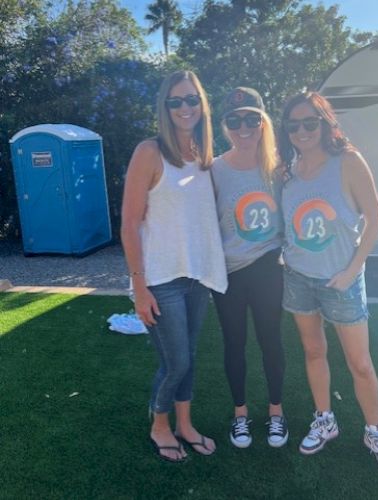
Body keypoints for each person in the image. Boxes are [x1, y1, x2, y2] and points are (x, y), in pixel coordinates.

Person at [277, 91, 378, 474]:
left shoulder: (348, 161)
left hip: (342, 280)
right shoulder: (287, 170)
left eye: (309, 122)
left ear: (324, 123)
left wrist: (353, 269)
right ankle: (325, 420)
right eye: (294, 124)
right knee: (314, 353)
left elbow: (375, 219)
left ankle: (374, 431)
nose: (302, 130)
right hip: (298, 277)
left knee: (360, 364)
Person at [121, 70, 227, 462]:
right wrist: (139, 287)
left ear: (203, 104)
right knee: (176, 360)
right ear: (165, 107)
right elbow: (130, 223)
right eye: (176, 101)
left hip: (197, 276)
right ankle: (160, 425)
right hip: (161, 278)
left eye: (192, 99)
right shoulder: (149, 151)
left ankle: (185, 424)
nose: (185, 108)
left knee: (190, 356)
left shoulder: (204, 156)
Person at [211, 87, 288, 448]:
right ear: (225, 125)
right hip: (228, 273)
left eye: (251, 119)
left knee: (271, 340)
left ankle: (276, 413)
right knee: (234, 343)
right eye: (234, 120)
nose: (244, 127)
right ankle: (240, 415)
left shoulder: (278, 169)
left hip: (268, 267)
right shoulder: (214, 170)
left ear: (263, 122)